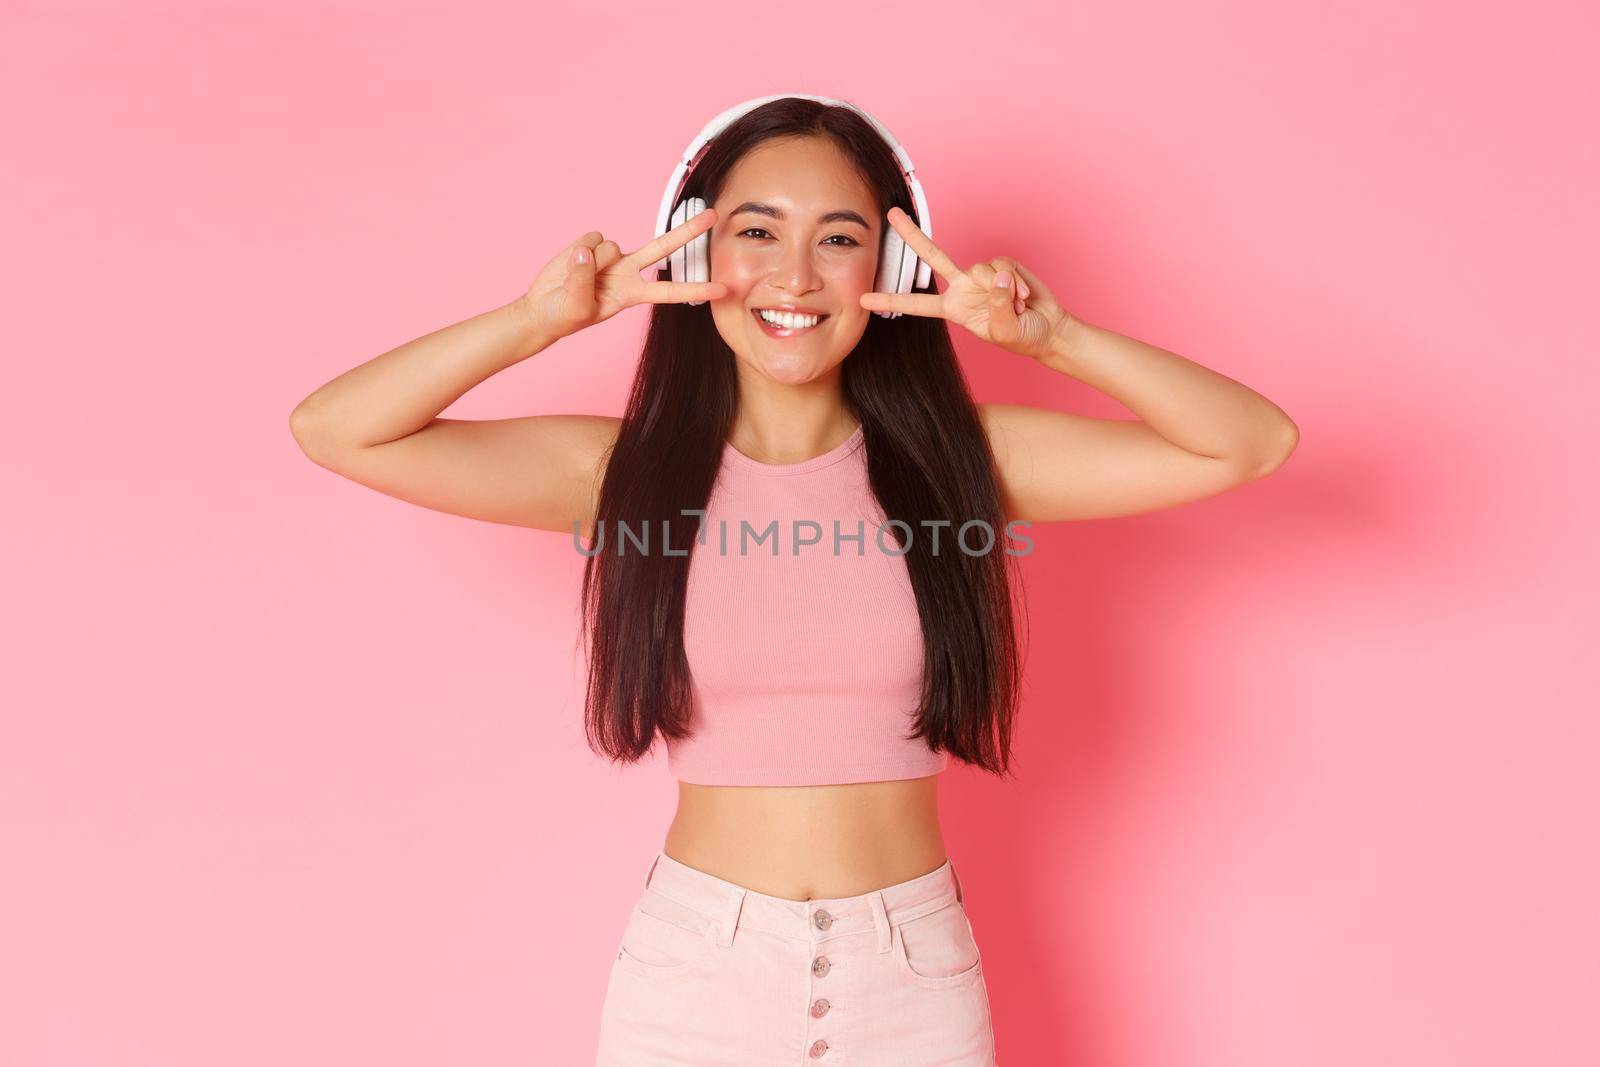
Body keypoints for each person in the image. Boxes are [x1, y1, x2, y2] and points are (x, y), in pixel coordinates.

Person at [288, 94, 1298, 1066]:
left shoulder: (964, 461)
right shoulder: (619, 473)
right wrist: (540, 318)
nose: (796, 276)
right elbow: (335, 428)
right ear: (697, 249)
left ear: (890, 262)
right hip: (695, 981)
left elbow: (1248, 445)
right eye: (759, 233)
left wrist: (1057, 338)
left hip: (913, 981)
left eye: (840, 238)